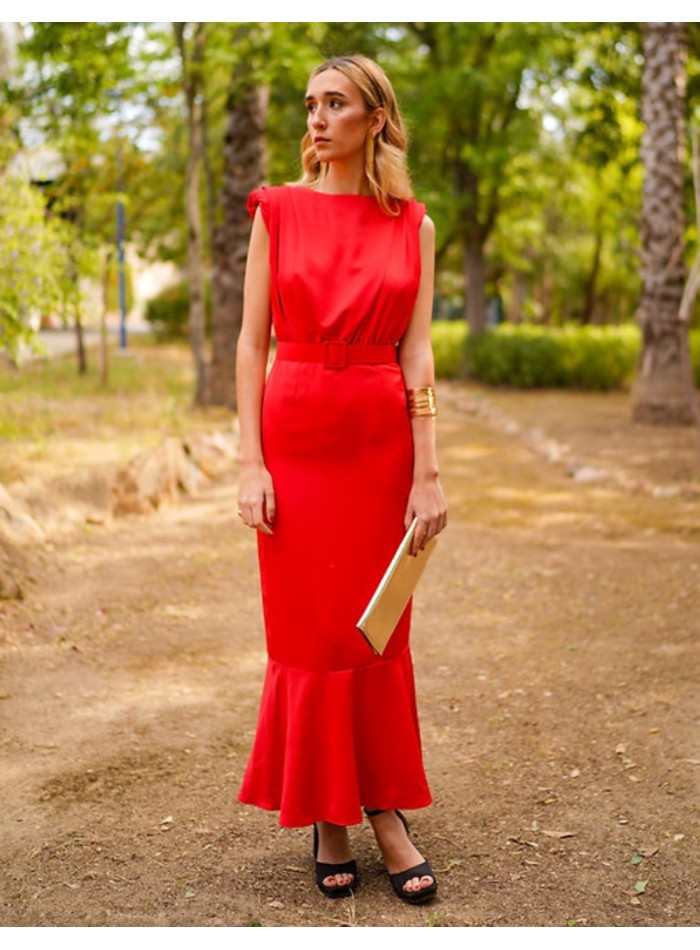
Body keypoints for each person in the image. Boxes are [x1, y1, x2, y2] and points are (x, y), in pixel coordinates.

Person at [235, 54, 447, 905]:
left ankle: (384, 809)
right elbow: (252, 344)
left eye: (336, 103)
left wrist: (428, 469)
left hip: (379, 440)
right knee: (310, 632)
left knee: (375, 630)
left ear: (375, 119)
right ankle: (328, 815)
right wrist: (249, 460)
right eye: (310, 105)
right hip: (294, 434)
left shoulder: (414, 225)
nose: (317, 119)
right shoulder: (276, 211)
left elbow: (418, 351)